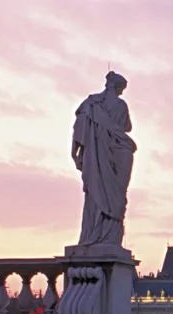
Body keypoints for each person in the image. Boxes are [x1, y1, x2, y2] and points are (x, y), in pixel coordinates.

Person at [72, 71, 137, 246]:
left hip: (96, 155)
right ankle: (107, 235)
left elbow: (78, 129)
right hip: (114, 153)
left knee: (96, 192)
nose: (122, 93)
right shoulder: (120, 106)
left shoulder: (91, 104)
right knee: (115, 193)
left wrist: (75, 152)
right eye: (122, 88)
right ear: (117, 87)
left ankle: (94, 233)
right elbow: (126, 127)